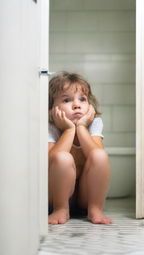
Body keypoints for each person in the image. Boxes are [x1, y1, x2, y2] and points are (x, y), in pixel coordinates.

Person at [48, 71, 112, 225]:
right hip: (56, 196)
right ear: (52, 109)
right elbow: (50, 161)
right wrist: (69, 130)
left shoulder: (94, 124)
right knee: (62, 157)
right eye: (67, 100)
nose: (77, 104)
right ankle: (60, 209)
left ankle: (95, 208)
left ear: (90, 106)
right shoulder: (51, 127)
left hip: (85, 197)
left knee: (100, 156)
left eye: (82, 99)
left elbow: (97, 155)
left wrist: (82, 127)